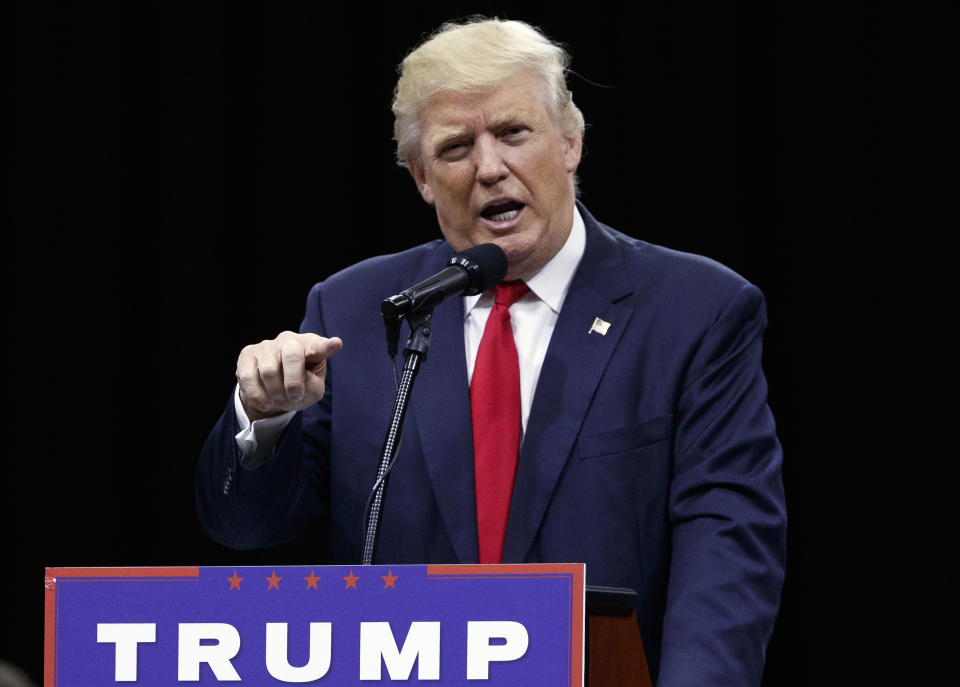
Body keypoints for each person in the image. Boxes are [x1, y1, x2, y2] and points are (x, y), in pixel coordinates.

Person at [196, 18, 786, 685]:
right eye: (455, 147)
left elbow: (727, 548)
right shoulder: (353, 312)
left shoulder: (696, 311)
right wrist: (263, 418)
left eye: (513, 132)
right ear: (421, 177)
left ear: (570, 140)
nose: (489, 166)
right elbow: (246, 531)